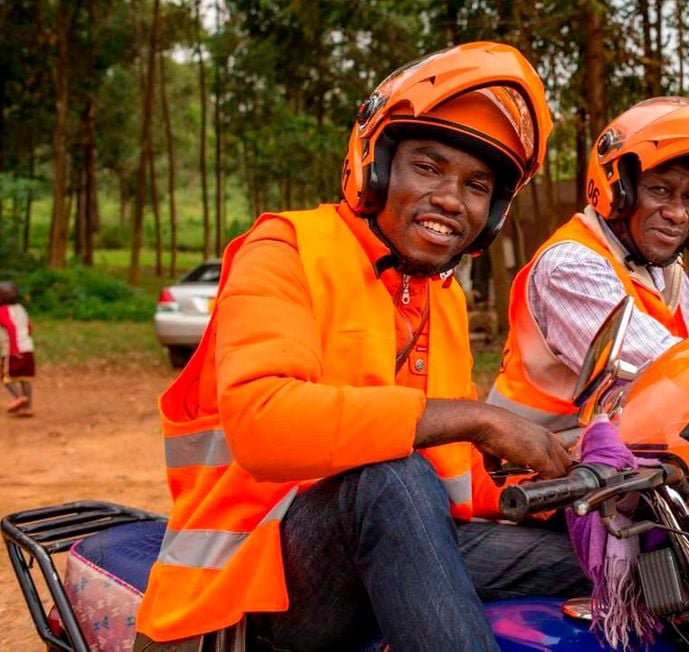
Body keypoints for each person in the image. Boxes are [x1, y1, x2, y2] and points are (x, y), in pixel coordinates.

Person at [135, 43, 588, 651]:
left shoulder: (440, 298)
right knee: (389, 477)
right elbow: (263, 424)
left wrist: (563, 468)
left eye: (476, 184)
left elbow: (455, 480)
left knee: (596, 559)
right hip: (246, 582)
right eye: (428, 167)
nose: (453, 198)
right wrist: (479, 418)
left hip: (395, 541)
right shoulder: (286, 250)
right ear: (375, 166)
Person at [487, 97, 689, 433]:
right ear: (618, 190)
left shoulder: (665, 276)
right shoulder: (571, 267)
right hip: (533, 472)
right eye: (661, 190)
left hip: (606, 467)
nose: (678, 214)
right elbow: (670, 374)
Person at [0, 281, 34, 417]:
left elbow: (11, 327)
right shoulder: (21, 308)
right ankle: (28, 407)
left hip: (12, 349)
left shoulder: (2, 311)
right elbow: (29, 326)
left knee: (4, 376)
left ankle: (19, 398)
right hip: (27, 348)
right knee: (25, 378)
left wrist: (14, 349)